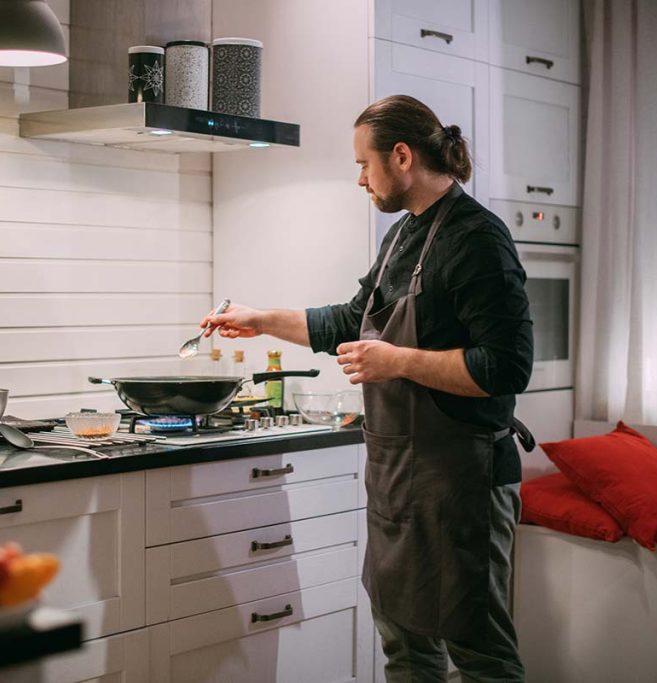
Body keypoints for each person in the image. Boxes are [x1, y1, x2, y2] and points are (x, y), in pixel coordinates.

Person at [203, 95, 533, 682]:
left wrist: (398, 361)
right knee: (405, 644)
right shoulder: (402, 237)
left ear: (401, 156)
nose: (360, 179)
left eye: (364, 163)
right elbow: (347, 322)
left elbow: (506, 368)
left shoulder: (478, 238)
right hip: (398, 483)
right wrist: (259, 320)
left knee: (480, 654)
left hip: (464, 484)